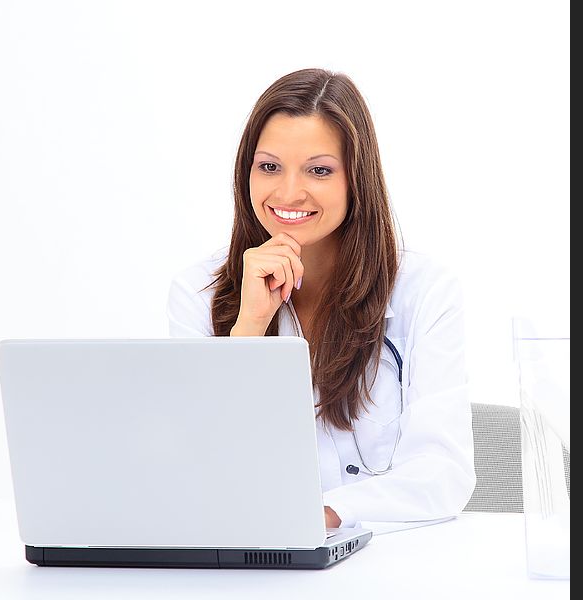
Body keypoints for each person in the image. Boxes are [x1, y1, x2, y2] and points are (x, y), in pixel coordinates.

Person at [165, 68, 475, 530]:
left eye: (319, 170)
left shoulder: (424, 290)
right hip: (254, 565)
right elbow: (198, 465)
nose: (289, 192)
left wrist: (322, 516)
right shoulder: (197, 293)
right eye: (269, 166)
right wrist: (247, 328)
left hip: (393, 560)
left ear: (356, 177)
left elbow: (442, 474)